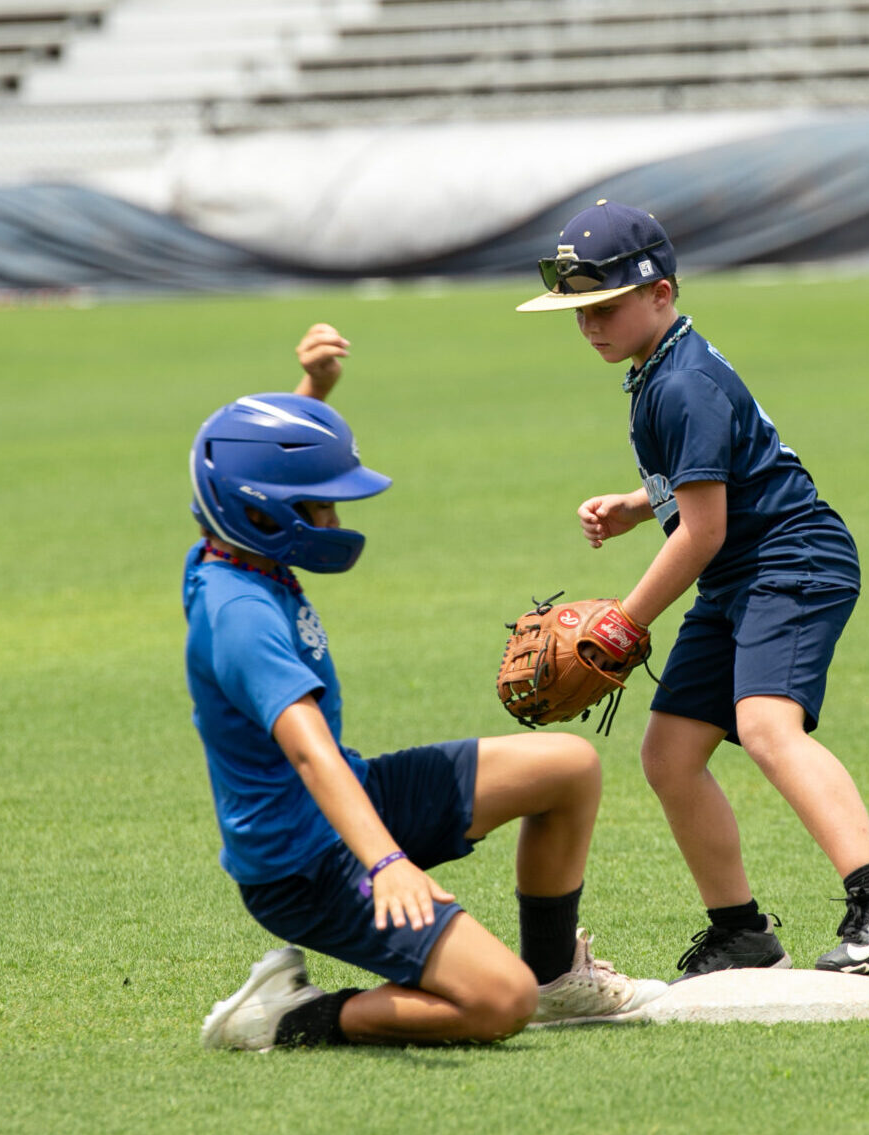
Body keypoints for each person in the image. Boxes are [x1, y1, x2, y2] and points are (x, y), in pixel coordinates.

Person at [189, 323, 665, 1050]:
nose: (334, 517)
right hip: (305, 865)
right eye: (319, 505)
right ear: (263, 512)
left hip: (351, 797)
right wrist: (387, 863)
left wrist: (311, 393)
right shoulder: (241, 617)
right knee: (495, 1003)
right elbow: (310, 755)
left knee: (568, 767)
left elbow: (251, 471)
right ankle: (287, 1017)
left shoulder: (232, 547)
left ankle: (555, 978)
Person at [515, 200, 869, 978]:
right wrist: (639, 503)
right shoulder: (660, 369)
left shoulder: (683, 383)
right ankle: (741, 930)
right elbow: (712, 477)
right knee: (670, 751)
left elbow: (703, 531)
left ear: (661, 293)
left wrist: (620, 623)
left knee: (767, 726)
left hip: (791, 559)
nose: (590, 327)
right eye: (578, 312)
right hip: (739, 570)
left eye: (604, 307)